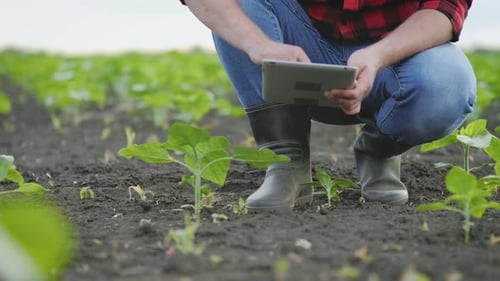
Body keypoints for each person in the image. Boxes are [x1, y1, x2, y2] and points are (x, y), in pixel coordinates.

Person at [179, 0, 476, 211]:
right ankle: (286, 161)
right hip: (299, 42)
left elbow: (446, 6)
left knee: (447, 85)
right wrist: (258, 44)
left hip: (394, 57)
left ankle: (379, 150)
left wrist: (378, 56)